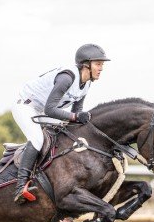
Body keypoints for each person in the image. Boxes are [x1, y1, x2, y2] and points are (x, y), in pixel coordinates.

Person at [11, 43, 110, 204]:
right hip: (26, 106)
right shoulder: (67, 78)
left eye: (102, 65)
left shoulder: (86, 83)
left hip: (44, 110)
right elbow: (51, 109)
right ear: (86, 64)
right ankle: (20, 185)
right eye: (98, 64)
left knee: (66, 136)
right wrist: (76, 116)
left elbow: (76, 112)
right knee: (37, 140)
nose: (101, 68)